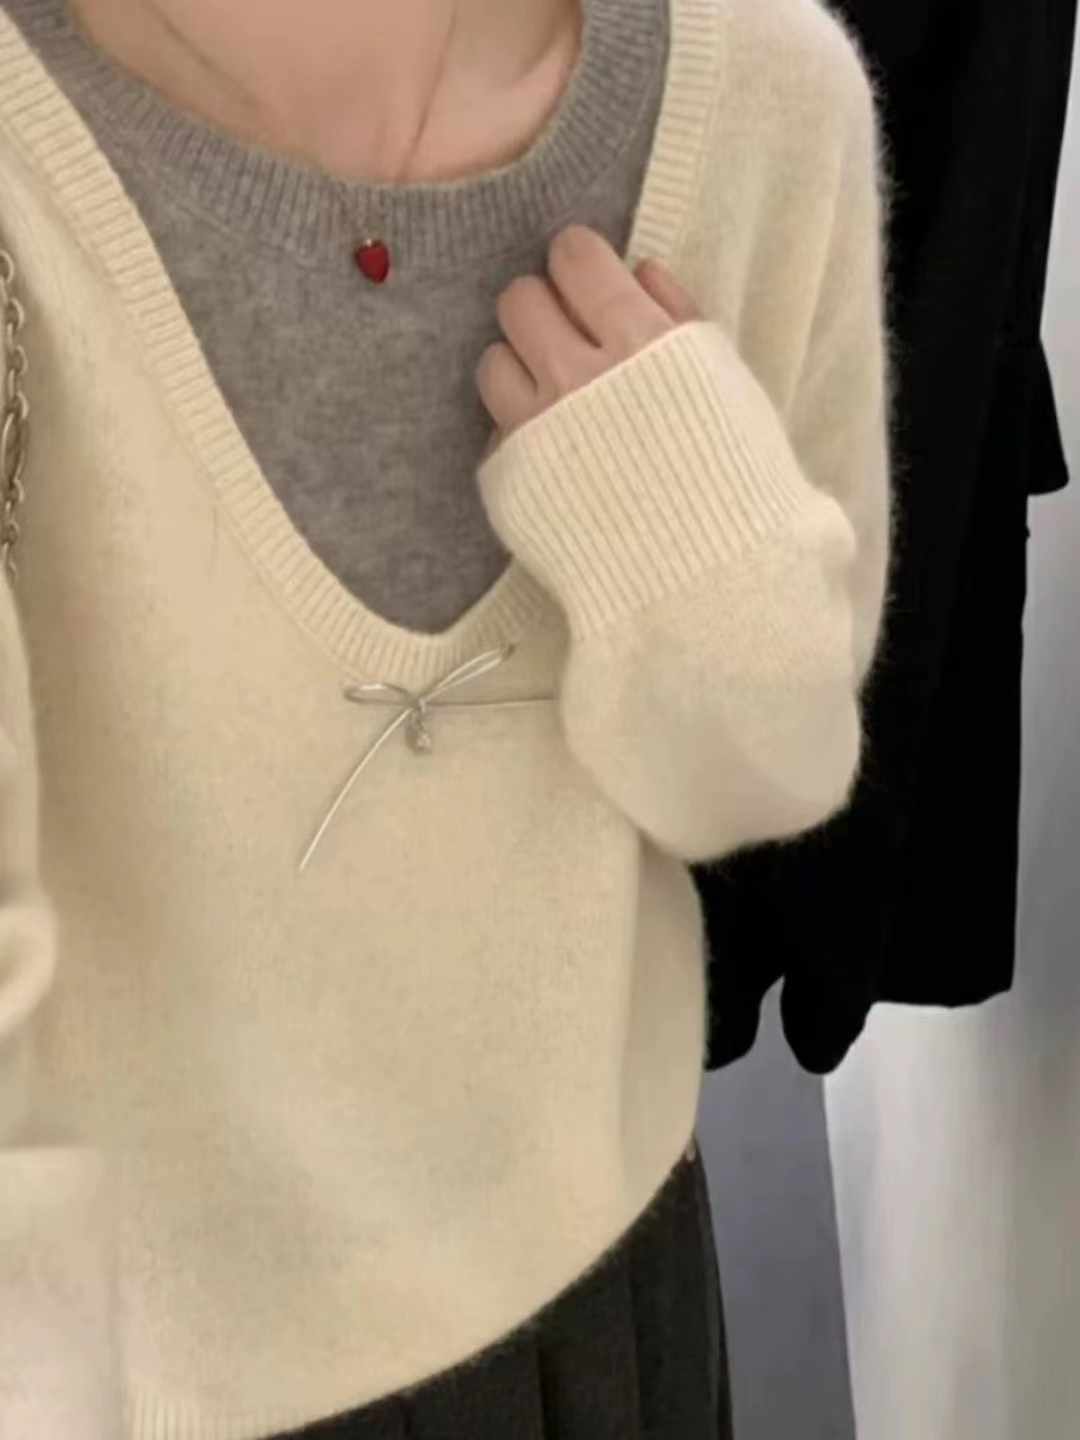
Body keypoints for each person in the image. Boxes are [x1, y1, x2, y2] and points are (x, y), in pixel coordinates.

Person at [0, 0, 894, 1434]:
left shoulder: (763, 94)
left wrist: (680, 527)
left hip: (604, 1290)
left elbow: (767, 777)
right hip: (139, 1376)